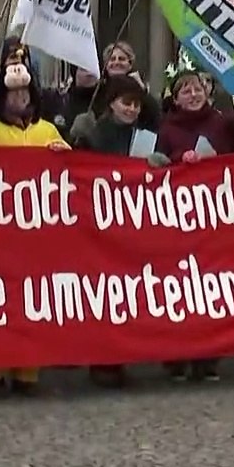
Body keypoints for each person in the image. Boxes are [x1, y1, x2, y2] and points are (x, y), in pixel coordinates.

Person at [155, 60, 234, 380]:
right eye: (184, 90)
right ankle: (175, 356)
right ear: (175, 99)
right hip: (177, 218)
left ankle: (209, 356)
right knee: (178, 288)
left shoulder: (222, 122)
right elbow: (153, 166)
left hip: (217, 217)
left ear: (207, 92)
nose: (192, 93)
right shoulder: (167, 128)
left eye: (196, 88)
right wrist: (176, 162)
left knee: (212, 287)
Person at [0, 44, 68, 398]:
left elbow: (74, 176)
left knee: (33, 300)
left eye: (25, 93)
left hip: (37, 237)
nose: (20, 99)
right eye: (13, 93)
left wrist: (63, 157)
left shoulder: (47, 132)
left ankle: (28, 371)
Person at [78, 75, 167, 388]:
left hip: (133, 224)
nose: (131, 109)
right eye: (126, 102)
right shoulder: (93, 133)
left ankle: (121, 357)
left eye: (136, 104)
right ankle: (102, 360)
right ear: (111, 103)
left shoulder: (146, 134)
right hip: (99, 223)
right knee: (104, 293)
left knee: (126, 294)